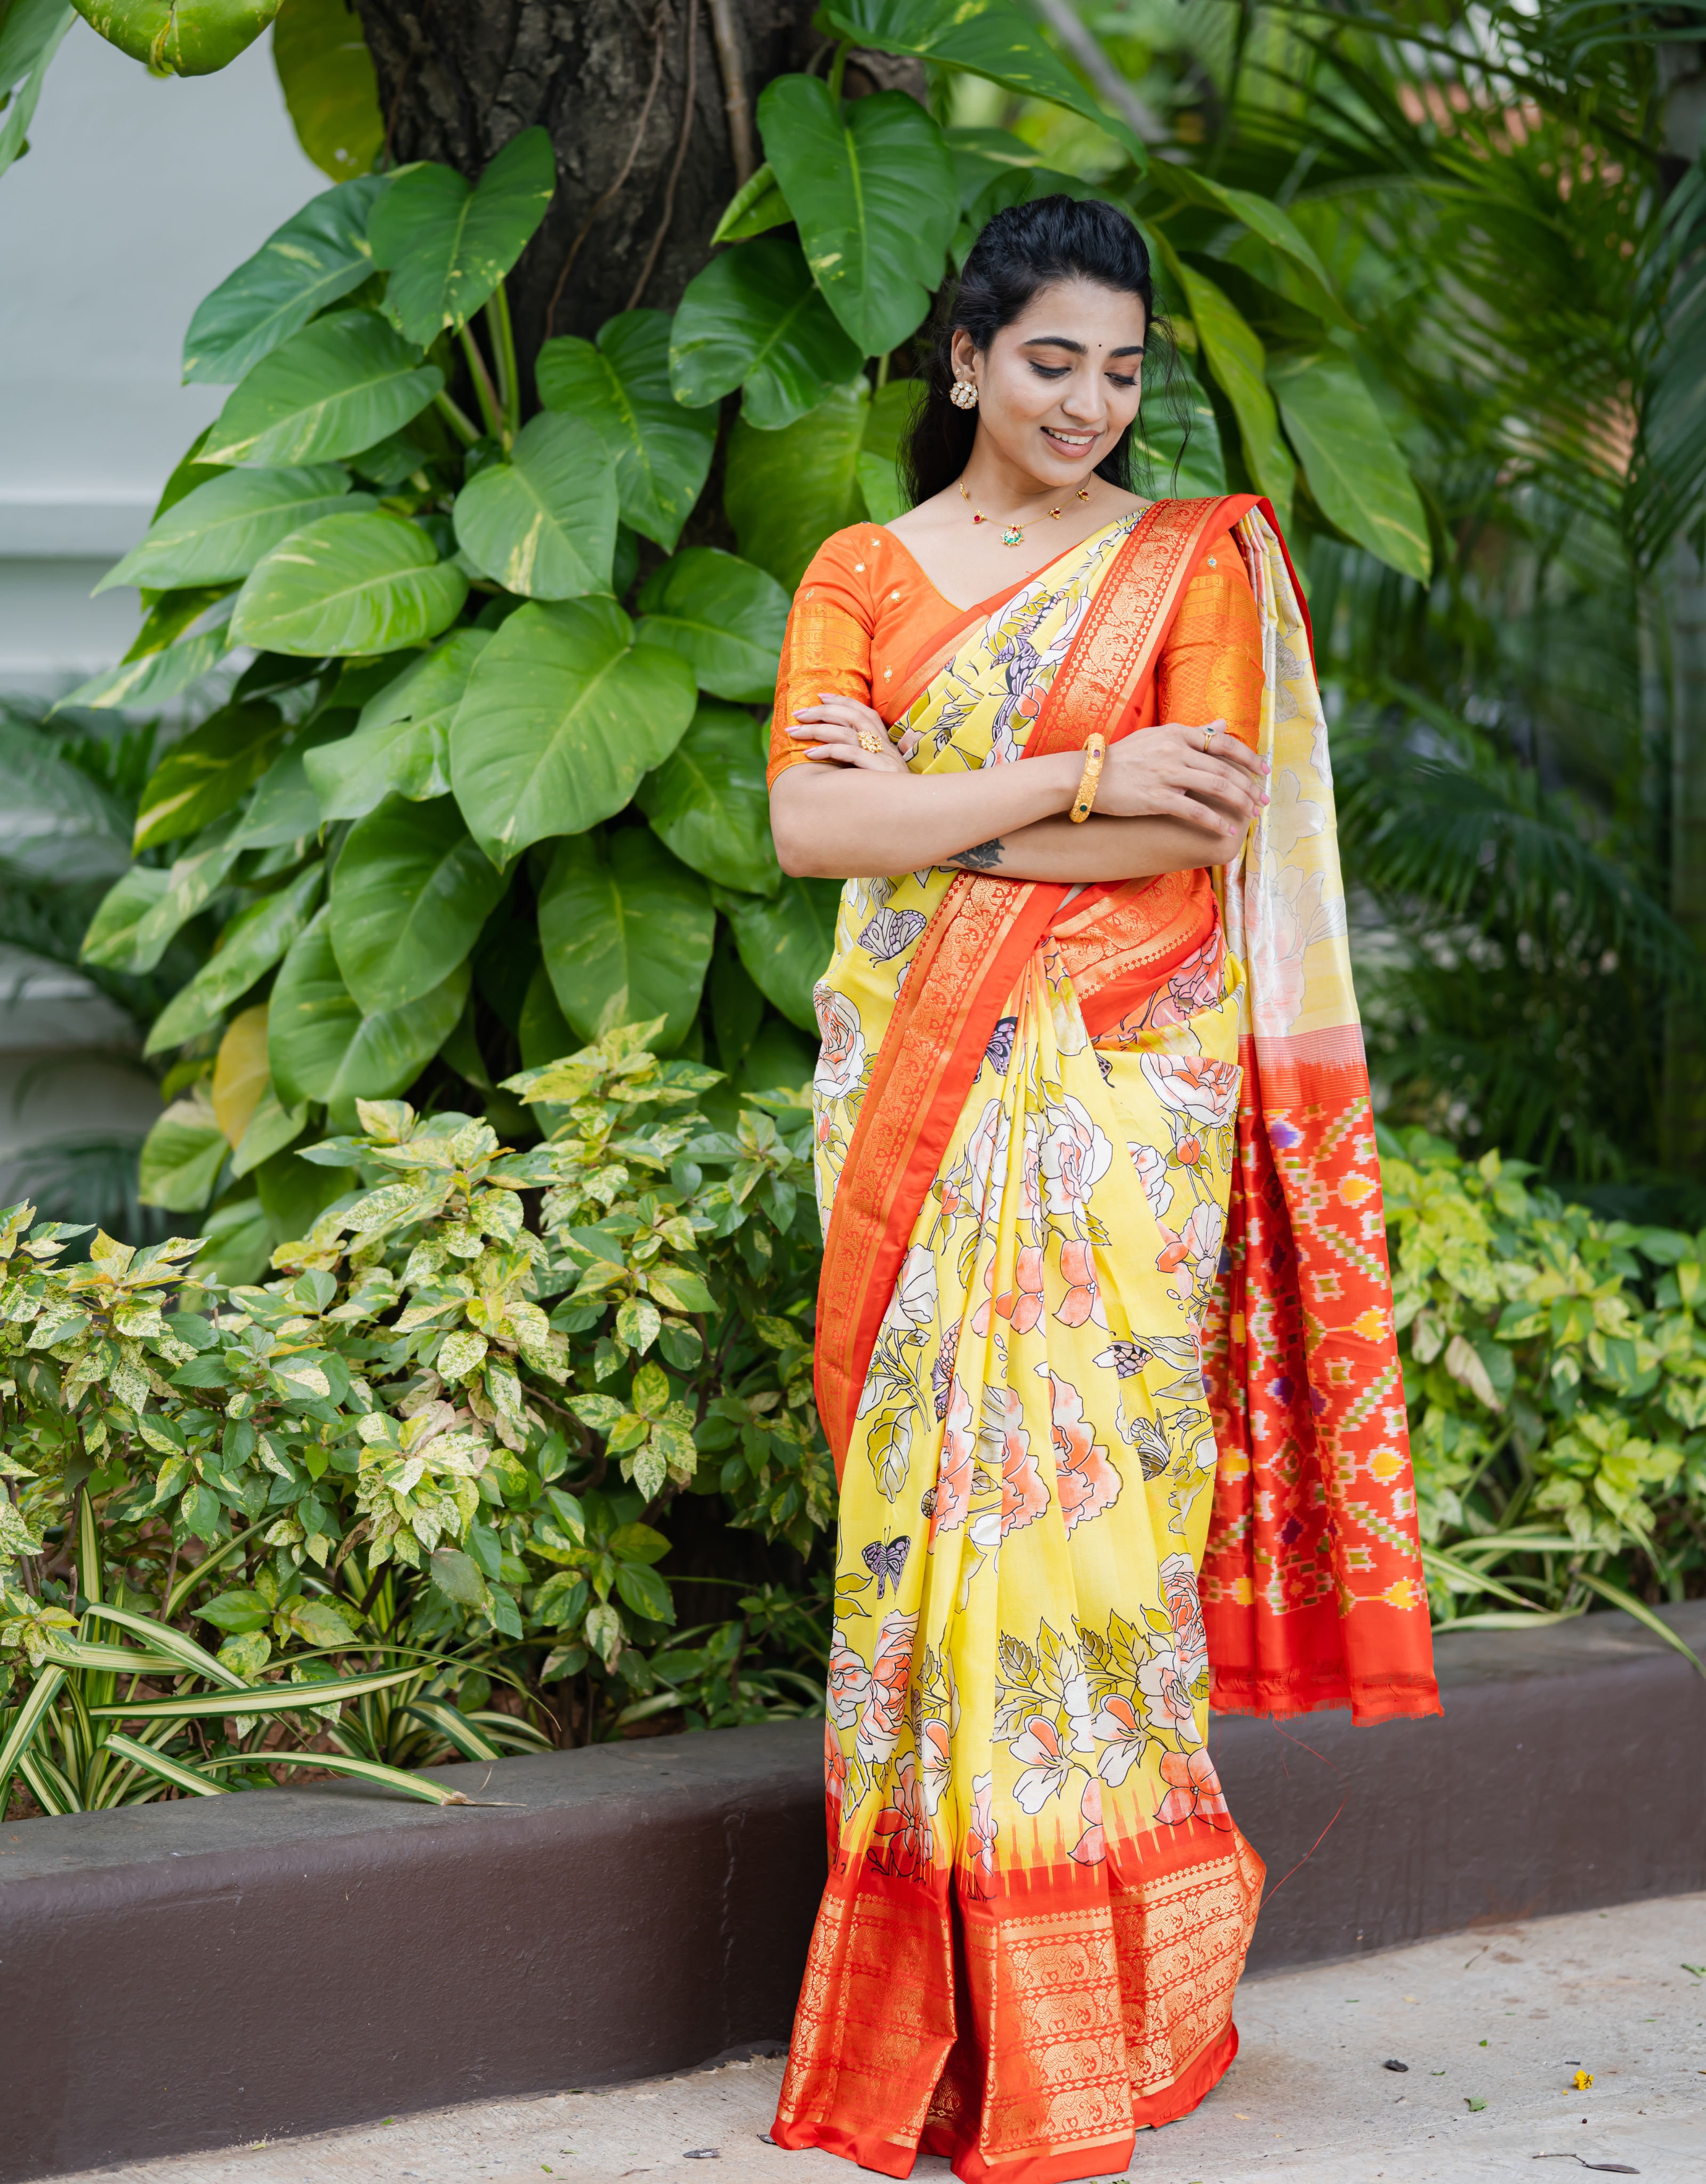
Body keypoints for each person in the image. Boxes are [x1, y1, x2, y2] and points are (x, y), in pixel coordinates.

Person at [765, 196, 1439, 2184]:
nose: (1091, 400)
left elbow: (1192, 829)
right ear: (964, 360)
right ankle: (937, 2027)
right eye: (1052, 358)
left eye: (1124, 368)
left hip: (1118, 1110)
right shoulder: (860, 569)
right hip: (912, 1096)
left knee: (1083, 1548)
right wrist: (1068, 781)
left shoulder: (1189, 559)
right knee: (920, 1546)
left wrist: (939, 817)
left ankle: (1107, 2019)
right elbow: (815, 827)